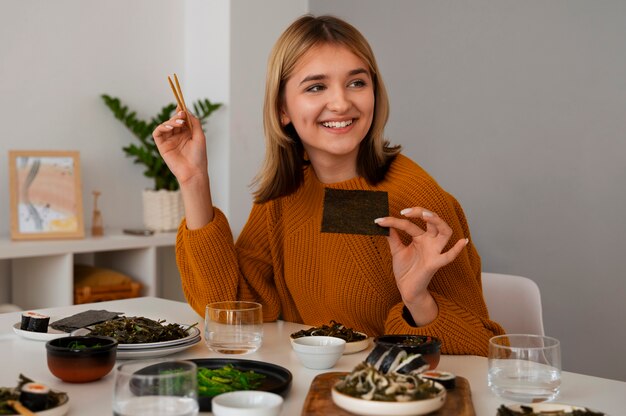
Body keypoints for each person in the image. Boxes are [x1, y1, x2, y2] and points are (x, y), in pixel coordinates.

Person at [153, 14, 504, 356]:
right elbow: (229, 307)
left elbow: (479, 344)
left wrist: (417, 301)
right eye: (316, 86)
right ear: (282, 109)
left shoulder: (413, 197)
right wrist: (194, 180)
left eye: (357, 82)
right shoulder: (288, 194)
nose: (341, 103)